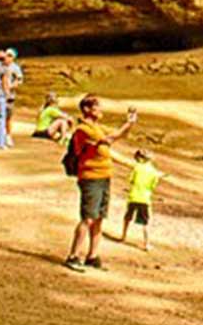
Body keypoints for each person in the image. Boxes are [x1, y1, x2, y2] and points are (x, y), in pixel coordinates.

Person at [65, 94, 138, 272]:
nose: (101, 111)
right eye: (97, 107)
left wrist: (130, 124)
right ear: (87, 109)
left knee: (98, 218)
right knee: (88, 217)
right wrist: (127, 124)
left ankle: (92, 256)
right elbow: (109, 140)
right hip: (91, 177)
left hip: (103, 176)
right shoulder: (84, 129)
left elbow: (116, 137)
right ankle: (73, 255)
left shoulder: (96, 127)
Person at [118, 149, 165, 251]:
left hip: (133, 196)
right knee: (145, 222)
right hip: (145, 198)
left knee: (127, 217)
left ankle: (123, 236)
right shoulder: (153, 172)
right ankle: (146, 243)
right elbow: (153, 186)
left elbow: (131, 180)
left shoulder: (137, 168)